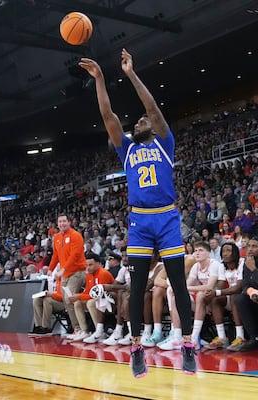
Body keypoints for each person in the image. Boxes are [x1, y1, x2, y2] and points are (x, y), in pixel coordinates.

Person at [80, 50, 196, 377]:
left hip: (168, 218)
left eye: (146, 121)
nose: (142, 120)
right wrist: (101, 80)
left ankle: (187, 344)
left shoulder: (164, 142)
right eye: (138, 122)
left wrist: (130, 75)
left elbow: (152, 108)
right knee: (137, 285)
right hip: (140, 222)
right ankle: (135, 347)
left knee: (178, 284)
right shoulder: (127, 148)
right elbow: (107, 115)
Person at [47, 214, 87, 340]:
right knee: (66, 300)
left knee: (70, 298)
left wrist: (63, 269)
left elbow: (74, 255)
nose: (62, 223)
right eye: (60, 221)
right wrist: (50, 269)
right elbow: (56, 255)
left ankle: (82, 329)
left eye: (64, 221)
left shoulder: (76, 236)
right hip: (65, 274)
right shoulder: (57, 237)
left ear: (69, 222)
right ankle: (76, 328)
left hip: (77, 272)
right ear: (57, 224)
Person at [67, 252, 115, 343]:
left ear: (98, 264)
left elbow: (98, 294)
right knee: (77, 303)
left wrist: (80, 295)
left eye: (90, 265)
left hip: (110, 302)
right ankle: (85, 331)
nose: (88, 267)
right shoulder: (89, 274)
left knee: (91, 302)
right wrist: (77, 297)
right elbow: (87, 292)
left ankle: (99, 331)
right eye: (86, 265)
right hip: (98, 299)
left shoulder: (103, 273)